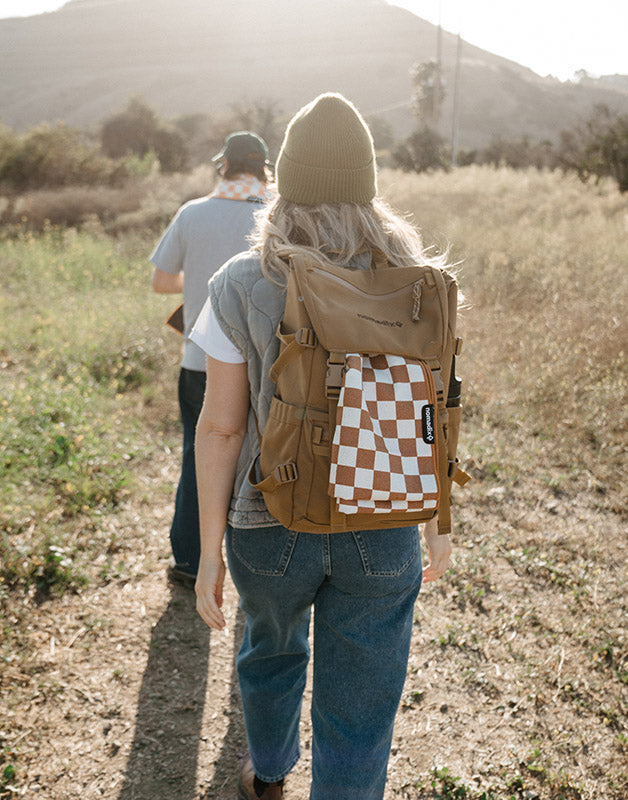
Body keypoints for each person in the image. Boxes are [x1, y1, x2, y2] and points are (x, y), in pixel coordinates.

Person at [190, 94, 455, 800]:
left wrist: (208, 549)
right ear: (368, 189)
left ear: (287, 188)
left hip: (267, 520)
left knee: (271, 650)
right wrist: (438, 526)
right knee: (363, 704)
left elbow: (219, 427)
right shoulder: (423, 287)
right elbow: (434, 416)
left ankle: (270, 768)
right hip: (385, 518)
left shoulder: (240, 283)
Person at [150, 130, 273, 588]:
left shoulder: (193, 213)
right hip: (265, 365)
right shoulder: (279, 216)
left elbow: (162, 283)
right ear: (264, 168)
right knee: (263, 460)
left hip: (201, 363)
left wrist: (200, 271)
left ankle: (189, 562)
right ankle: (256, 564)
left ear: (223, 166)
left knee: (196, 455)